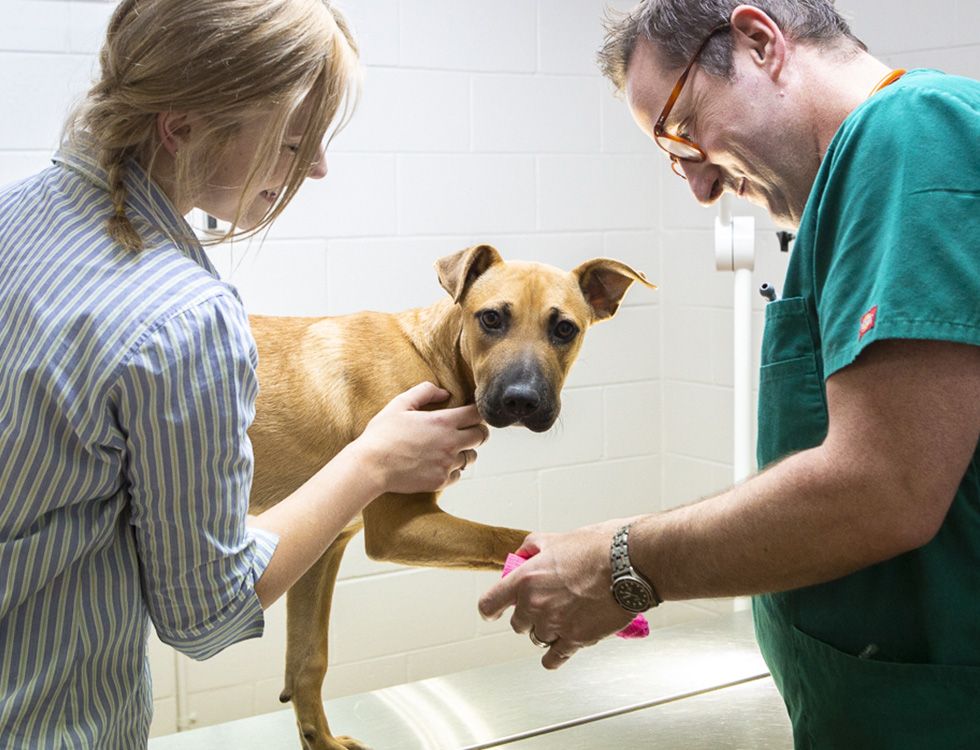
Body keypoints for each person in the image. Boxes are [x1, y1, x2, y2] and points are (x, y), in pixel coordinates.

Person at [479, 2, 980, 747]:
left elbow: (885, 487)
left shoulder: (910, 132)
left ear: (757, 41)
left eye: (684, 138)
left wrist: (623, 561)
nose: (700, 187)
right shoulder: (864, 179)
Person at [0, 1, 488, 746]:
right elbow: (205, 614)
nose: (317, 167)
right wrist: (370, 462)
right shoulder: (182, 317)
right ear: (182, 124)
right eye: (294, 143)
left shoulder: (18, 214)